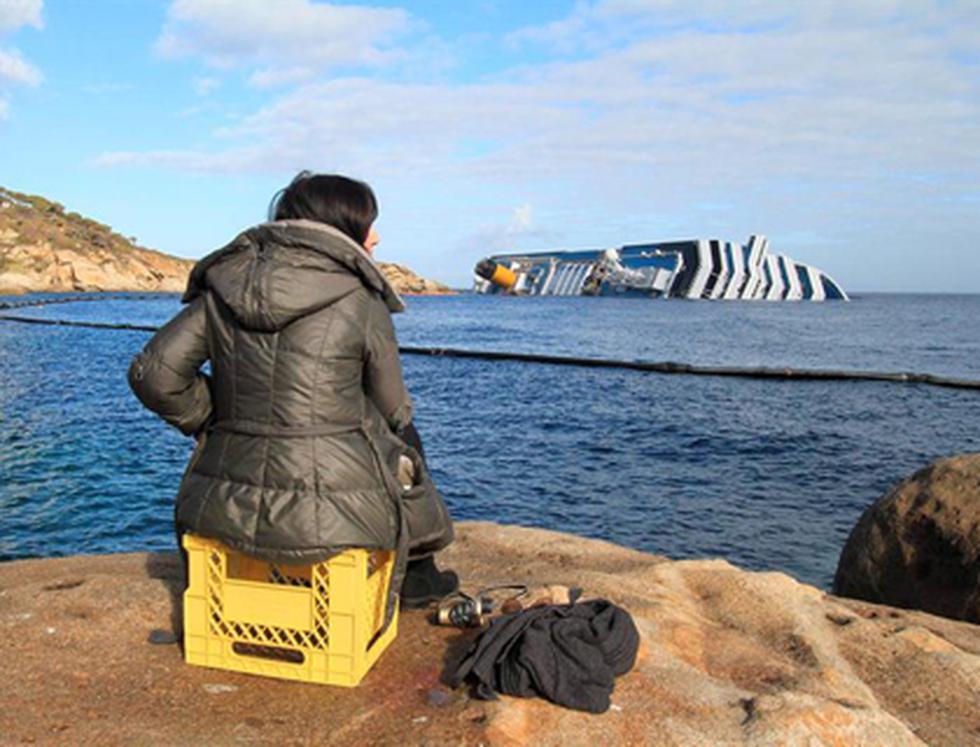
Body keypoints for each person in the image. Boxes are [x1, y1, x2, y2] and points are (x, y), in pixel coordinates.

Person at [127, 171, 457, 612]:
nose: (375, 238)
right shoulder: (362, 298)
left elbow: (154, 376)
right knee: (406, 439)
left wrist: (217, 417)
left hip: (220, 507)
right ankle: (418, 577)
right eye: (367, 224)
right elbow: (393, 407)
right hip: (338, 519)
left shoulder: (223, 288)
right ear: (340, 228)